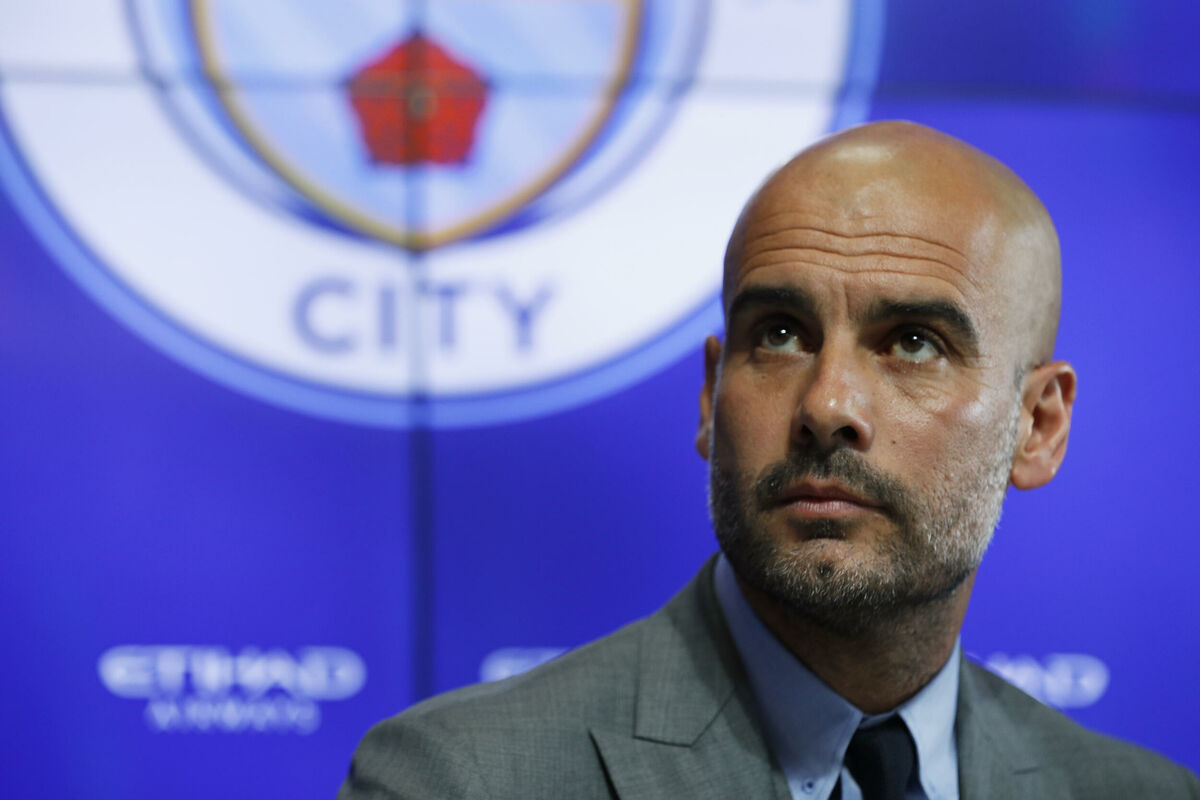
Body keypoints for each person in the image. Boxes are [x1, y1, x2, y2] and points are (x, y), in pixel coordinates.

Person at [338, 121, 1199, 799]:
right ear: (710, 397)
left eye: (913, 342)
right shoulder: (459, 780)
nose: (827, 405)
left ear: (1037, 426)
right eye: (780, 334)